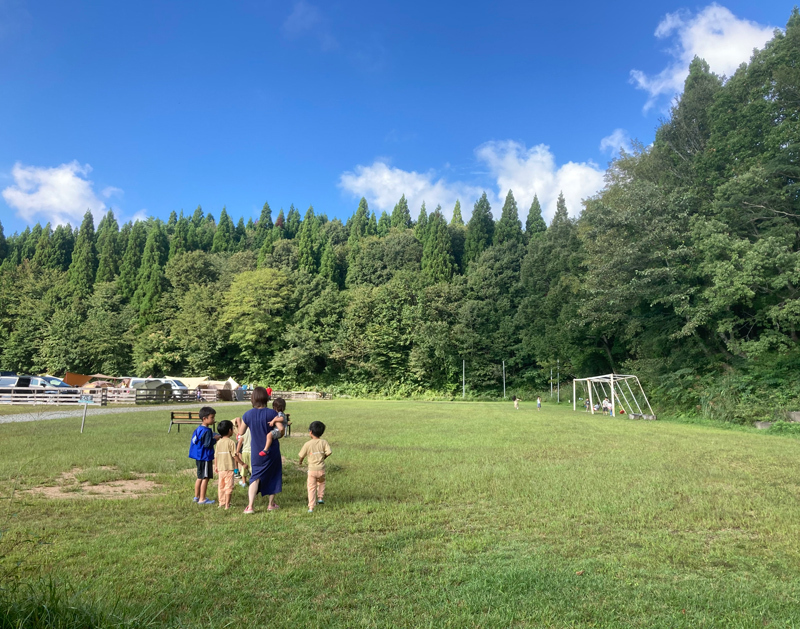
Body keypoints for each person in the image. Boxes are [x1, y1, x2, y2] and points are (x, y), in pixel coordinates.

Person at [237, 387, 282, 514]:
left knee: (255, 476)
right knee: (274, 475)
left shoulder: (248, 414)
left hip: (256, 450)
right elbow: (280, 429)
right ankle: (271, 504)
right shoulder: (272, 413)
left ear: (253, 399)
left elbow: (241, 432)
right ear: (266, 398)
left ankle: (250, 506)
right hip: (271, 450)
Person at [298, 421, 332, 513]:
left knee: (311, 488)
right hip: (321, 469)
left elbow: (301, 456)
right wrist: (324, 457)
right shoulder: (324, 442)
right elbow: (329, 452)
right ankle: (320, 497)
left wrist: (300, 462)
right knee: (321, 482)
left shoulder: (307, 444)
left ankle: (311, 507)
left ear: (310, 432)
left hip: (312, 471)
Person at [189, 406, 218, 505]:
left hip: (198, 456)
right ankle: (202, 499)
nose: (213, 420)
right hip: (205, 457)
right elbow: (207, 444)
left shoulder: (199, 428)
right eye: (212, 417)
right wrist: (216, 439)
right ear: (205, 418)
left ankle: (196, 497)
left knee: (199, 477)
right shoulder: (207, 431)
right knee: (206, 478)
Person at [214, 420, 237, 510]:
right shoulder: (231, 442)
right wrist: (241, 463)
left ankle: (221, 503)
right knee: (229, 486)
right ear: (230, 430)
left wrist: (216, 466)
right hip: (229, 468)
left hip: (220, 468)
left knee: (221, 486)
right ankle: (227, 505)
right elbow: (234, 455)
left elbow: (216, 455)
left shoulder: (218, 442)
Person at [233, 416, 251, 488]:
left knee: (244, 467)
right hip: (253, 452)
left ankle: (243, 482)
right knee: (253, 467)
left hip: (245, 452)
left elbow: (240, 442)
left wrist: (237, 451)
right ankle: (254, 481)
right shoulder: (255, 431)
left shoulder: (244, 432)